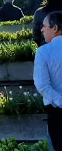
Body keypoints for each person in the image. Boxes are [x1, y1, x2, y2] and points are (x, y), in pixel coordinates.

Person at [34, 11, 62, 151]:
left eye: (44, 26)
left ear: (55, 28)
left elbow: (42, 85)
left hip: (57, 112)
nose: (41, 30)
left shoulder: (43, 51)